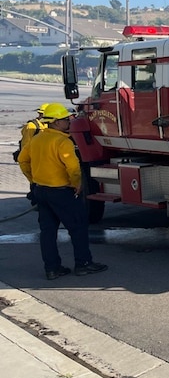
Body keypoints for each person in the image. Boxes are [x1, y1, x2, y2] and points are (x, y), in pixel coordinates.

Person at [17, 102, 108, 280]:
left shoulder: (36, 139)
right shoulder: (62, 142)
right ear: (56, 122)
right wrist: (77, 184)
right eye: (65, 120)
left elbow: (22, 160)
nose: (69, 122)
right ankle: (83, 264)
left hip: (41, 191)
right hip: (61, 192)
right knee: (78, 227)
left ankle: (52, 268)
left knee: (48, 232)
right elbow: (73, 168)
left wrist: (32, 179)